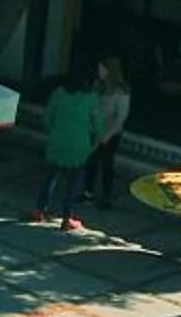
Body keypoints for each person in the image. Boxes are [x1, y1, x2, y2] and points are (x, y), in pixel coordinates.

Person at [30, 67, 100, 228]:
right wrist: (94, 141)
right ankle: (67, 218)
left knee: (49, 178)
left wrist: (54, 132)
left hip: (57, 141)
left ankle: (39, 210)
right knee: (73, 184)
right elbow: (98, 125)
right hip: (79, 145)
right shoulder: (91, 98)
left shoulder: (58, 94)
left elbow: (47, 119)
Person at [86, 57, 131, 208]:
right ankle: (87, 192)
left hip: (111, 133)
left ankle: (106, 196)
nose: (99, 72)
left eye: (102, 69)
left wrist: (107, 135)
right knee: (91, 162)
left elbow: (121, 117)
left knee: (107, 164)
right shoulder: (97, 86)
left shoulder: (122, 91)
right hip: (95, 130)